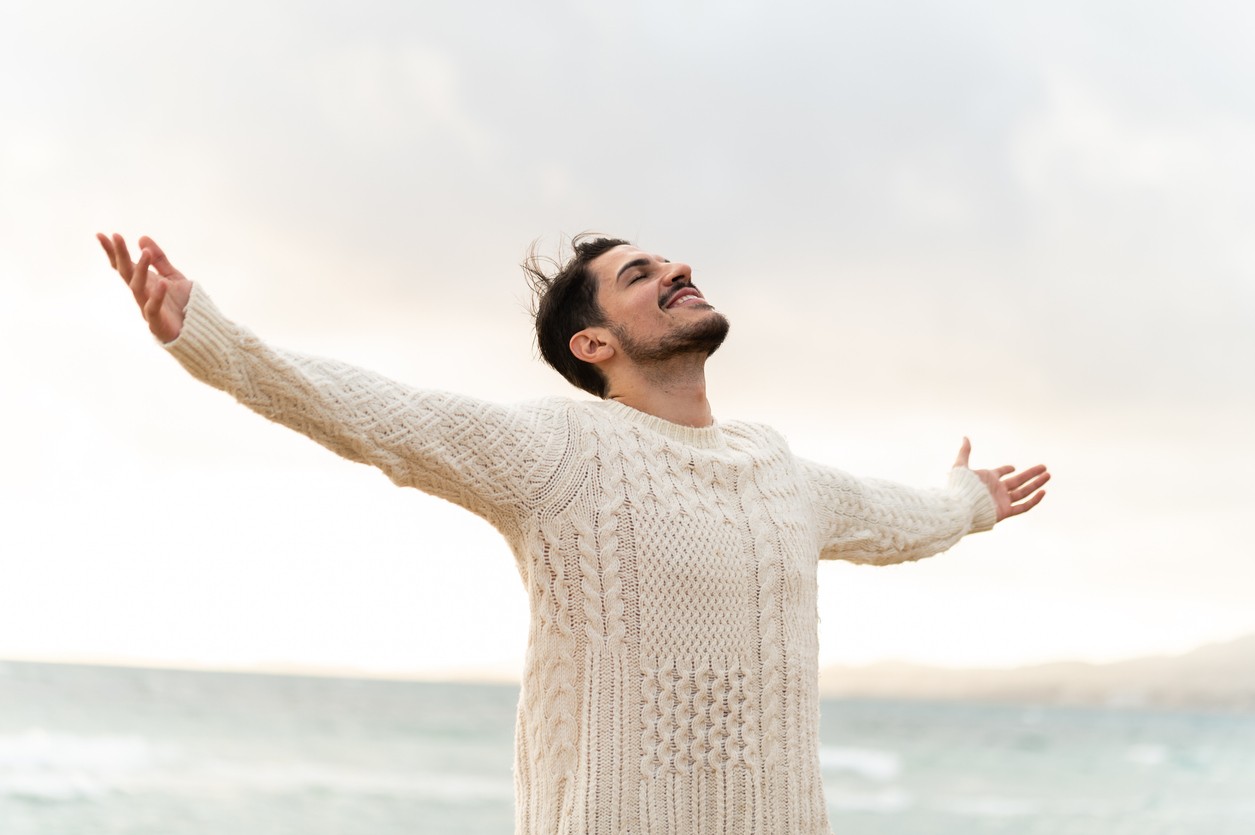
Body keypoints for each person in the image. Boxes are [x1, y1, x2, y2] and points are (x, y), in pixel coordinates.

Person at [97, 231, 1049, 835]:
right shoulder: (560, 449)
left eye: (674, 262)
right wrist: (212, 341)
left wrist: (968, 499)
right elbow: (381, 416)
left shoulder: (780, 472)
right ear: (591, 345)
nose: (679, 268)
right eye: (640, 274)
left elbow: (900, 520)